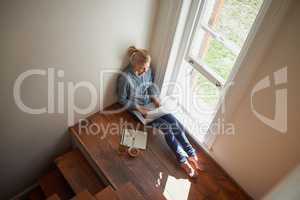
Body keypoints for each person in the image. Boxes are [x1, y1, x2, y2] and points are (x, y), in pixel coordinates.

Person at [117, 46, 203, 178]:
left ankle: (191, 153)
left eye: (147, 67)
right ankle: (183, 161)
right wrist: (139, 108)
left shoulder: (148, 71)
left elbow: (151, 86)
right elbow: (121, 99)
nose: (146, 70)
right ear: (135, 65)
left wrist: (155, 98)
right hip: (138, 110)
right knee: (167, 128)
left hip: (151, 105)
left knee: (173, 121)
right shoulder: (125, 77)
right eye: (143, 68)